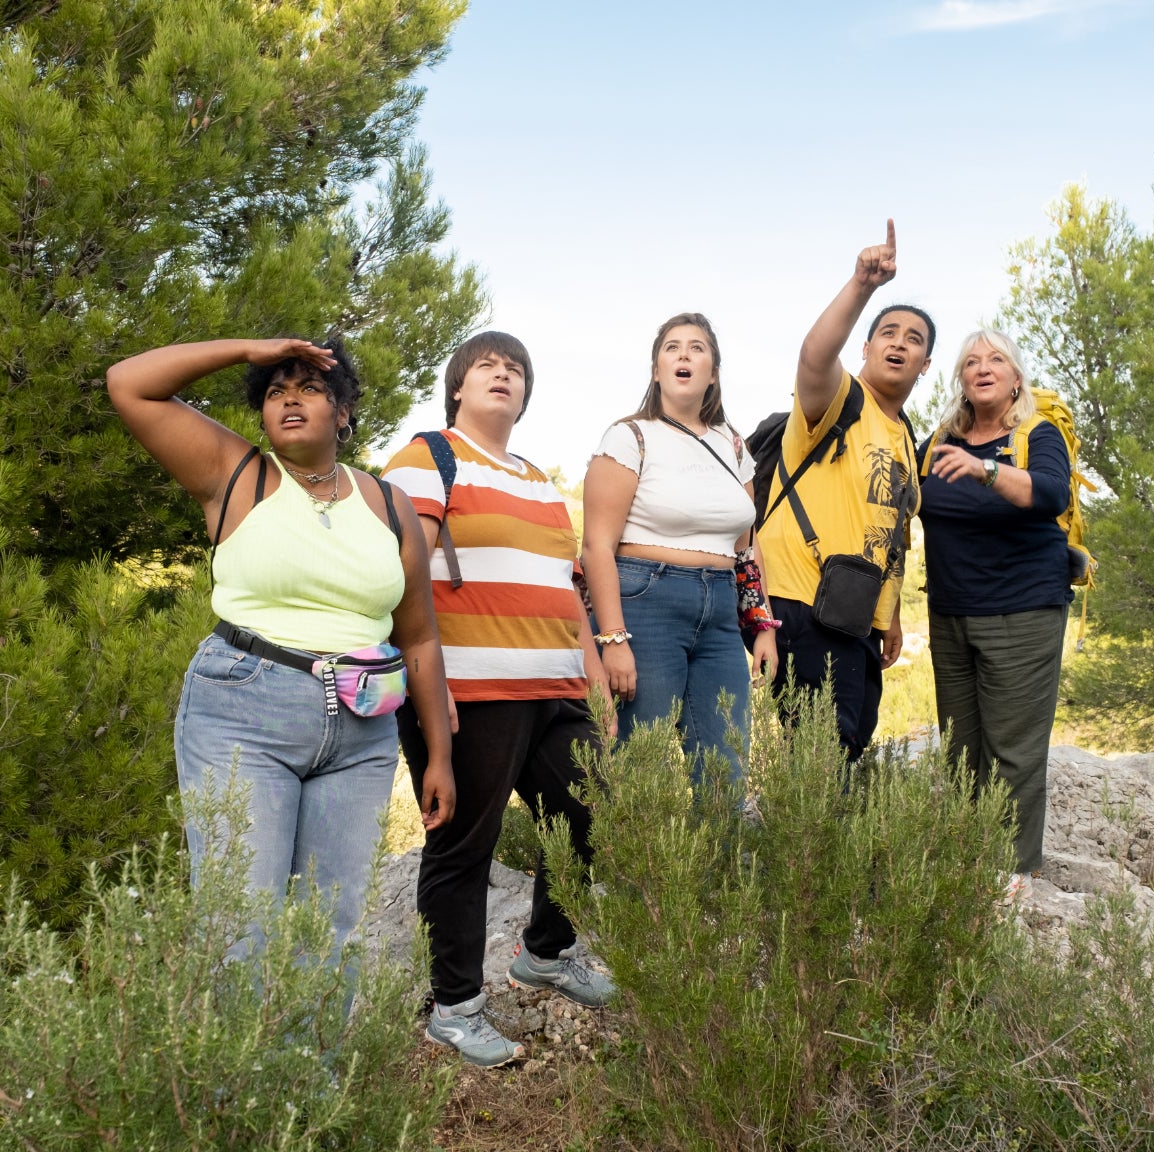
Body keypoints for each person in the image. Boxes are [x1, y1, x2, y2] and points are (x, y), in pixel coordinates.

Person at [105, 336, 456, 960]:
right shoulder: (235, 475)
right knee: (241, 927)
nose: (290, 400)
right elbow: (129, 382)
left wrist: (439, 757)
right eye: (275, 392)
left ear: (343, 412)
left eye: (311, 389)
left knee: (330, 931)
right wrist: (247, 349)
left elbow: (420, 636)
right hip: (244, 711)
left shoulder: (388, 504)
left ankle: (315, 1063)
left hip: (362, 727)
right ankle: (240, 1063)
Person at [382, 330, 617, 1068]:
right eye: (488, 364)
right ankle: (454, 1008)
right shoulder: (427, 457)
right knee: (463, 849)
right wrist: (427, 692)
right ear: (458, 385)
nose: (503, 374)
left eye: (516, 368)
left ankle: (545, 952)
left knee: (598, 814)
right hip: (469, 690)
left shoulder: (540, 479)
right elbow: (404, 575)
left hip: (555, 689)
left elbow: (564, 586)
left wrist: (594, 670)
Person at [582, 313, 779, 786]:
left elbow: (746, 549)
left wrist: (763, 627)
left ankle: (721, 862)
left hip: (720, 617)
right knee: (636, 767)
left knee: (724, 767)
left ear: (713, 372)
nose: (685, 354)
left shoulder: (733, 446)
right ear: (656, 370)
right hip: (645, 605)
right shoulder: (629, 436)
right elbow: (595, 547)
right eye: (672, 347)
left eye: (697, 347)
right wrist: (612, 639)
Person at [761, 221, 927, 762]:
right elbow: (813, 354)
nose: (900, 343)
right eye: (889, 333)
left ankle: (800, 848)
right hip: (803, 598)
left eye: (915, 339)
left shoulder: (905, 437)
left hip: (853, 616)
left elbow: (889, 532)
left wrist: (890, 617)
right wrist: (862, 285)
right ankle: (789, 849)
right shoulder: (838, 400)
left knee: (846, 750)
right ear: (866, 345)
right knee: (820, 755)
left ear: (925, 367)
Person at [917, 329, 1072, 894]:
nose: (983, 368)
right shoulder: (938, 441)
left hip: (1022, 614)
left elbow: (1054, 494)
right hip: (950, 615)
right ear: (960, 379)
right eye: (971, 362)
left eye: (997, 360)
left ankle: (1012, 878)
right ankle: (967, 867)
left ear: (1015, 379)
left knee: (1014, 752)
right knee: (960, 749)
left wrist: (987, 470)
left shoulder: (1037, 434)